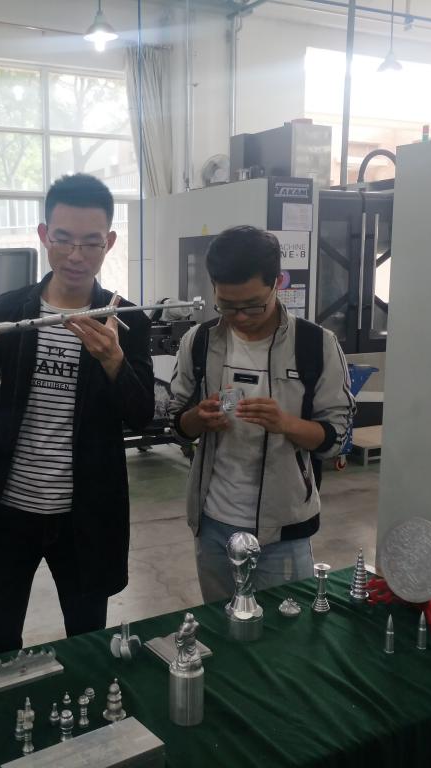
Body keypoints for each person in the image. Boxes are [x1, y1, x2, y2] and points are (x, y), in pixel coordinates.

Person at [0, 173, 154, 659]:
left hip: (86, 514)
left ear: (109, 242)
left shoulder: (126, 320)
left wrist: (114, 362)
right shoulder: (10, 310)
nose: (76, 255)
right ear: (44, 235)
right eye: (63, 239)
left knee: (87, 643)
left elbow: (142, 415)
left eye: (91, 242)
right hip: (11, 509)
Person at [168, 225, 354, 604]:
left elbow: (337, 436)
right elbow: (176, 423)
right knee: (222, 625)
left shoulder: (316, 345)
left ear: (277, 283)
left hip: (283, 529)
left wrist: (286, 424)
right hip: (213, 524)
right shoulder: (199, 342)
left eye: (253, 305)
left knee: (287, 631)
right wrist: (197, 418)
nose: (240, 316)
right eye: (226, 305)